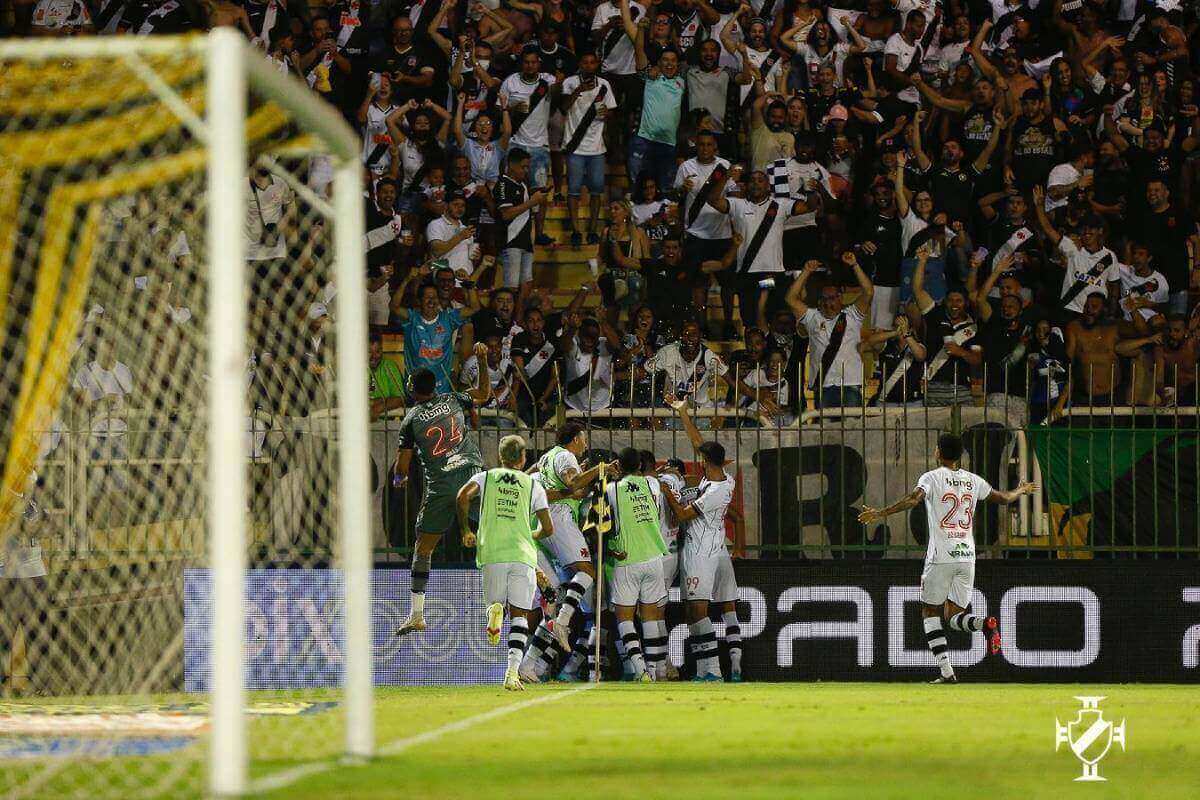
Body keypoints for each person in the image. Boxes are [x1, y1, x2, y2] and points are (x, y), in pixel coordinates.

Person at [858, 432, 1037, 683]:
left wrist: (881, 513)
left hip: (941, 556)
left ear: (938, 452)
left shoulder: (931, 478)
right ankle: (985, 624)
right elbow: (1003, 499)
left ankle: (946, 672)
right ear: (960, 455)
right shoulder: (973, 481)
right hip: (967, 557)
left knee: (930, 612)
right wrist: (1020, 490)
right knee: (954, 617)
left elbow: (913, 499)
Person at [394, 346, 493, 637]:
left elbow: (402, 465)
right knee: (496, 530)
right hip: (472, 476)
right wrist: (484, 361)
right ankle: (506, 597)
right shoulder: (453, 400)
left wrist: (400, 478)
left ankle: (417, 614)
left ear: (412, 390)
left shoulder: (411, 420)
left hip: (441, 486)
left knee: (423, 549)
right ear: (435, 386)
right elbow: (484, 394)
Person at [456, 434, 554, 691]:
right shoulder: (533, 485)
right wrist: (531, 534)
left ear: (500, 457)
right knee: (521, 615)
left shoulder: (485, 478)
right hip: (522, 556)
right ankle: (512, 674)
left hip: (492, 554)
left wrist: (466, 529)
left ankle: (494, 612)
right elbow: (548, 528)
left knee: (495, 603)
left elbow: (462, 497)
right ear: (523, 458)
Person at [519, 423, 617, 680]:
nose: (585, 444)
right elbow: (573, 484)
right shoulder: (564, 455)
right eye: (583, 439)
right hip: (557, 522)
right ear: (575, 439)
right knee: (587, 573)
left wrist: (580, 483)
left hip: (538, 533)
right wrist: (600, 469)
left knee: (553, 600)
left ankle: (529, 665)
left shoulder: (545, 460)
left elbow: (561, 486)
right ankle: (563, 623)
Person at [659, 395, 741, 682]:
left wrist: (666, 490)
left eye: (701, 459)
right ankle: (707, 670)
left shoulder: (715, 492)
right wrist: (683, 413)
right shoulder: (723, 478)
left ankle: (713, 671)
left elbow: (682, 515)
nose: (698, 461)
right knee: (693, 612)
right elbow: (698, 443)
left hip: (702, 554)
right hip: (706, 549)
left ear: (707, 462)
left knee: (697, 611)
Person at [604, 446, 670, 683]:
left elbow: (602, 525)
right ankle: (653, 670)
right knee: (651, 616)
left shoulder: (611, 490)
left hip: (626, 558)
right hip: (654, 557)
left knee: (625, 618)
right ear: (641, 466)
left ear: (619, 466)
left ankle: (640, 669)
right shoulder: (653, 485)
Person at [785, 253, 873, 408]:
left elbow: (868, 292)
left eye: (832, 297)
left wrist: (854, 265)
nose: (828, 302)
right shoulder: (813, 317)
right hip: (823, 386)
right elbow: (790, 299)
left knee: (852, 430)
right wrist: (806, 271)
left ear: (841, 298)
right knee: (824, 432)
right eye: (824, 298)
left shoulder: (852, 315)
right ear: (819, 301)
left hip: (850, 384)